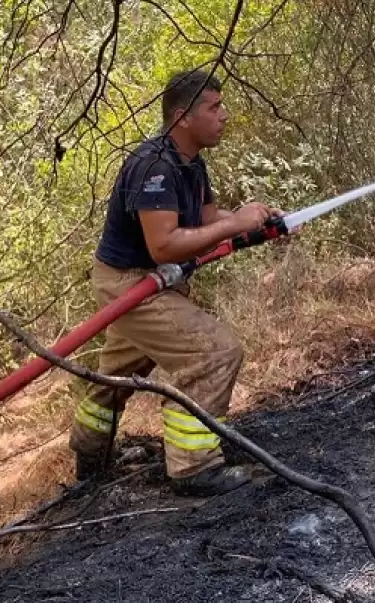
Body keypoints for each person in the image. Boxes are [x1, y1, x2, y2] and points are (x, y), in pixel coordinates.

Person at [69, 69, 285, 496]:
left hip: (152, 281)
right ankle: (195, 467)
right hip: (129, 283)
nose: (224, 115)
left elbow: (208, 221)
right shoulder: (155, 167)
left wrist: (254, 221)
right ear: (183, 116)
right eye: (214, 107)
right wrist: (235, 224)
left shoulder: (191, 163)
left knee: (118, 372)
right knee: (214, 353)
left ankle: (89, 460)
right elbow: (165, 245)